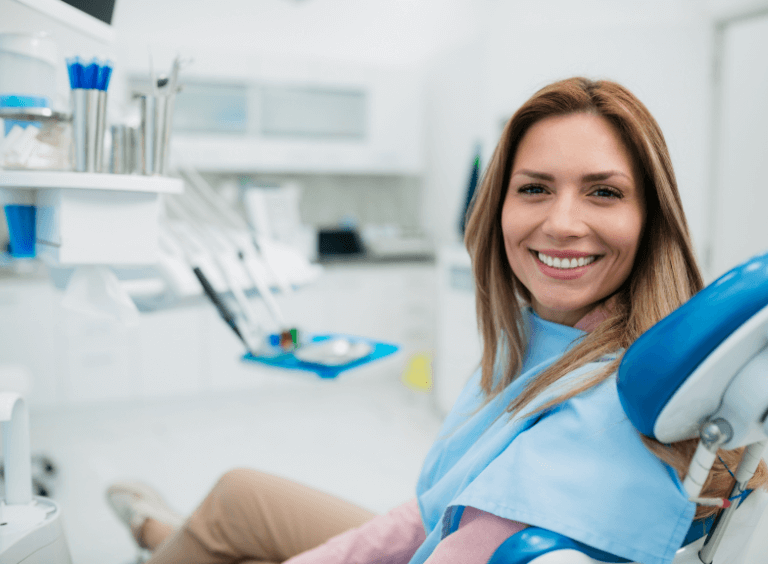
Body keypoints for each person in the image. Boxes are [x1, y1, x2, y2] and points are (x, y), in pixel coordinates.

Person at [107, 77, 767, 564]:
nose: (562, 222)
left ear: (651, 220)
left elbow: (470, 541)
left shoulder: (603, 414)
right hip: (438, 538)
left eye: (603, 191)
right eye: (534, 187)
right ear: (498, 209)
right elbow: (434, 511)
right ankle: (167, 535)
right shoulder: (556, 342)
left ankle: (159, 538)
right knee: (241, 494)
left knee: (232, 530)